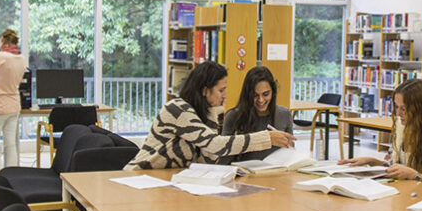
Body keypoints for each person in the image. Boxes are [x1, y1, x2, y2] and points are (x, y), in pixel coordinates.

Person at [125, 61, 295, 170]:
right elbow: (216, 146)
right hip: (141, 177)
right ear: (205, 91)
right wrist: (267, 138)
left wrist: (213, 112)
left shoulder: (204, 114)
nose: (225, 95)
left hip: (167, 179)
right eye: (221, 90)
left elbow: (208, 158)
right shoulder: (178, 110)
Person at [338, 79, 422, 187]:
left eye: (404, 108)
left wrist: (414, 175)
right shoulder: (402, 128)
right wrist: (371, 161)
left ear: (420, 109)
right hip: (407, 193)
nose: (398, 113)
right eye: (396, 107)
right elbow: (393, 165)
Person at [221, 66, 293, 161]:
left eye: (266, 94)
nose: (261, 100)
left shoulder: (284, 114)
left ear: (273, 92)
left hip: (277, 172)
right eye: (255, 95)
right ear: (248, 95)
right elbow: (224, 154)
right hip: (246, 174)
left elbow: (290, 152)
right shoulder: (233, 116)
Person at [0, 29, 26, 171]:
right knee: (10, 144)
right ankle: (10, 177)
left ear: (2, 40)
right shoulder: (22, 59)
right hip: (14, 105)